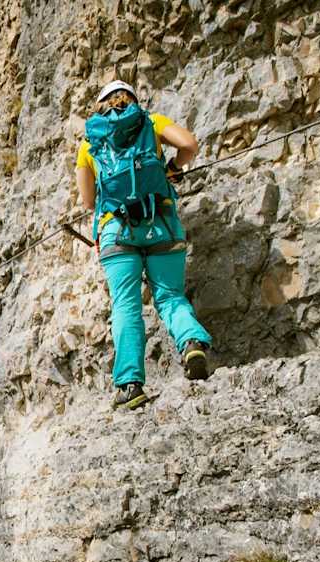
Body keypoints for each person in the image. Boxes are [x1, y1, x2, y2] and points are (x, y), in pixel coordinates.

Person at [74, 80, 213, 410]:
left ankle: (130, 385)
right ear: (133, 100)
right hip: (161, 222)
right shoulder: (151, 121)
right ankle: (191, 342)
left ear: (100, 106)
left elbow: (87, 201)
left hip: (116, 231)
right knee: (169, 295)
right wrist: (172, 169)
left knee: (125, 305)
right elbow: (190, 144)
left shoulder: (88, 142)